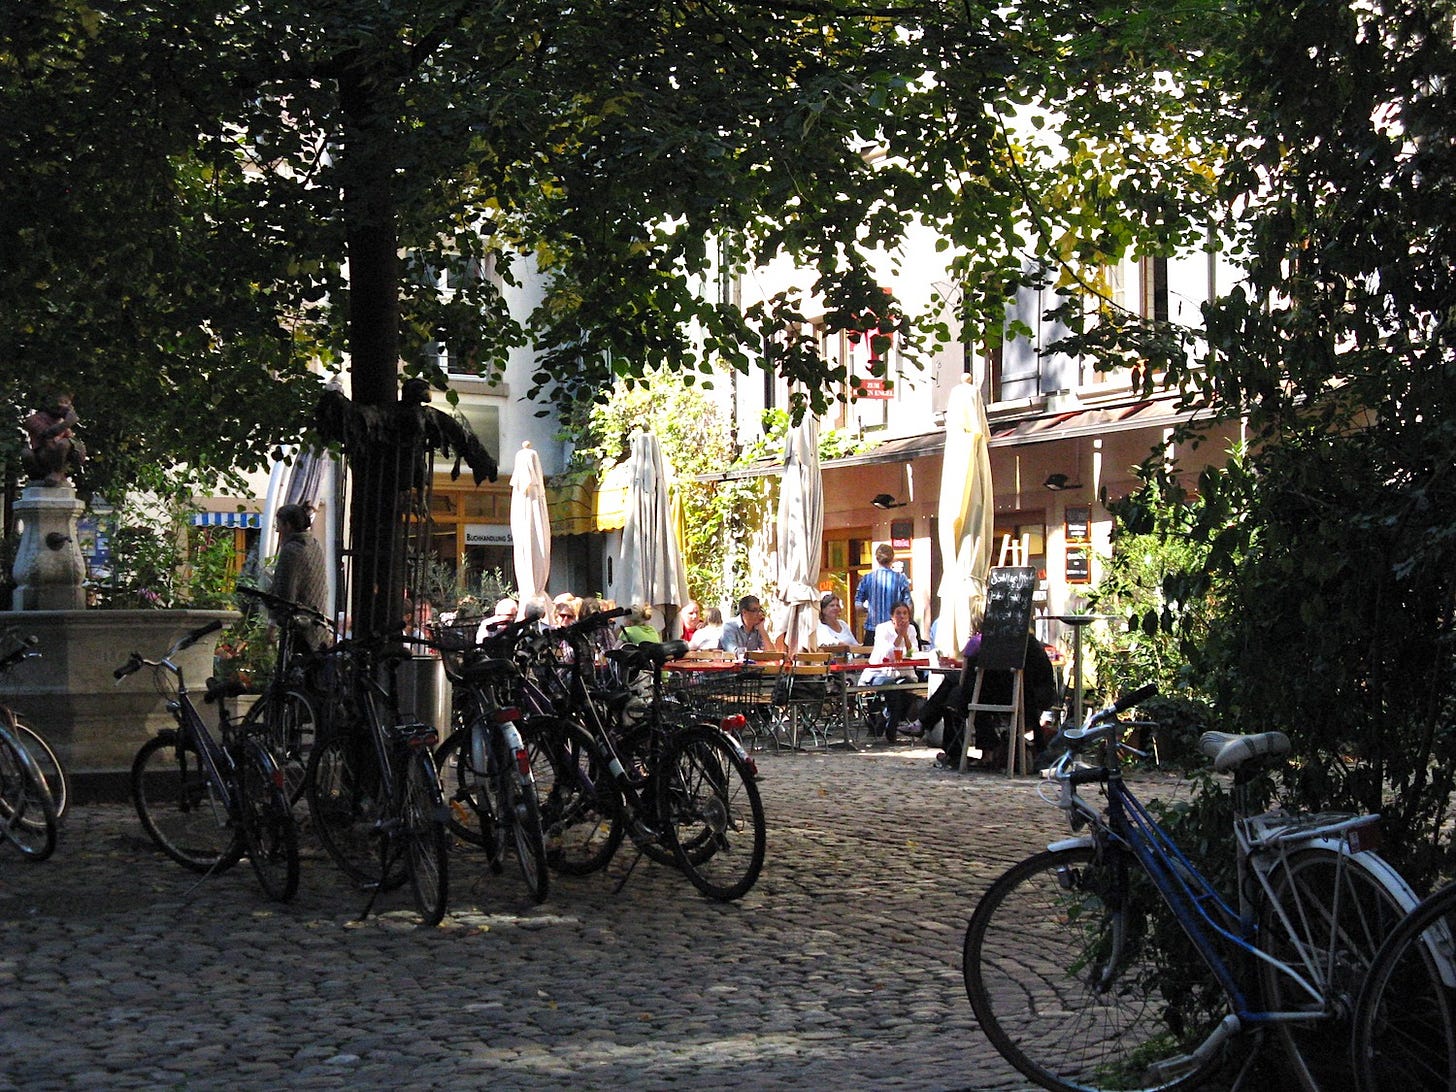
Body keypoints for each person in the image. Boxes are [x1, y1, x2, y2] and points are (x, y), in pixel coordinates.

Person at [928, 630, 1058, 769]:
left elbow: (966, 678)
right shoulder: (1026, 644)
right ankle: (980, 752)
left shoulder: (986, 645)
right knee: (956, 693)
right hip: (1022, 697)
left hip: (1011, 697)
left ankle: (930, 727)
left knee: (955, 692)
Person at [859, 602, 925, 742]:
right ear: (892, 616)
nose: (902, 617)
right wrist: (899, 636)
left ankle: (888, 718)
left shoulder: (911, 629)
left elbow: (913, 652)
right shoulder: (882, 629)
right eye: (898, 613)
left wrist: (906, 635)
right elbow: (887, 654)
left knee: (908, 688)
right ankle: (891, 727)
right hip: (879, 671)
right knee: (892, 687)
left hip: (902, 672)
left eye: (905, 613)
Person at [268, 503, 330, 651]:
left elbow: (284, 593)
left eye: (279, 525)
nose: (277, 530)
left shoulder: (291, 551)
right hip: (318, 624)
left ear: (287, 525)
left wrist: (272, 625)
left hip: (299, 628)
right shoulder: (315, 545)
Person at [22, 391, 86, 486]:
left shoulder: (62, 423)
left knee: (65, 443)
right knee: (26, 453)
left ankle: (57, 472)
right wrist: (67, 423)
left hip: (58, 458)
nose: (63, 406)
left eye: (66, 403)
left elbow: (71, 442)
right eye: (60, 402)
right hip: (41, 457)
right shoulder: (34, 419)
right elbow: (46, 434)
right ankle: (38, 477)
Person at [854, 543, 911, 644]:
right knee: (896, 657)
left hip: (873, 629)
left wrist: (870, 610)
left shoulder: (867, 578)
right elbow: (908, 605)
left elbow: (858, 605)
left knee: (872, 658)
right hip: (894, 628)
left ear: (876, 558)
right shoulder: (901, 579)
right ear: (892, 558)